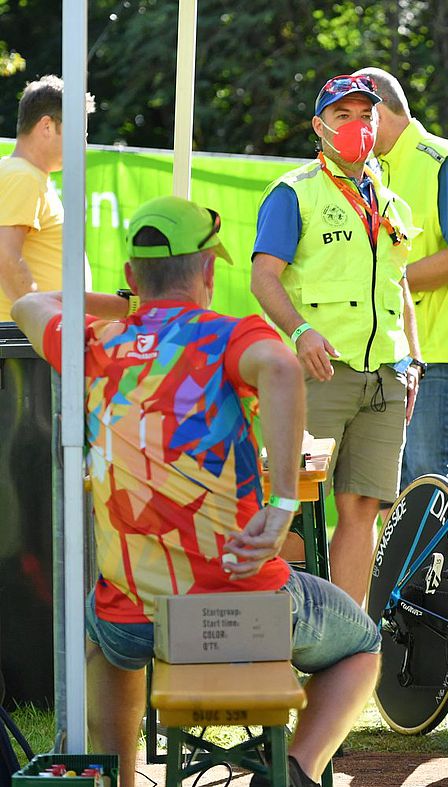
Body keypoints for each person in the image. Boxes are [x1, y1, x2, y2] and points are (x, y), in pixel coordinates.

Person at [11, 196, 380, 787]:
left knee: (106, 629)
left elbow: (30, 301)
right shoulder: (230, 336)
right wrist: (283, 504)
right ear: (209, 271)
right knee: (363, 643)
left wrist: (125, 306)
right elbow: (284, 369)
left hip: (134, 616)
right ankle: (294, 768)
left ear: (132, 275)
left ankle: (122, 777)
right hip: (244, 608)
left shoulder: (96, 344)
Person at [252, 74, 422, 604]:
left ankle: (347, 643)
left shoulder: (393, 203)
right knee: (295, 503)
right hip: (320, 373)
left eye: (365, 115)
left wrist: (413, 362)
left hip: (385, 377)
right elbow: (263, 276)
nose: (356, 126)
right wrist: (300, 331)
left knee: (363, 508)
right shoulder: (293, 193)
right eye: (343, 115)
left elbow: (400, 285)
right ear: (318, 127)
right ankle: (282, 632)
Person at [355, 67, 448, 488]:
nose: (351, 125)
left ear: (379, 108)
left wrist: (390, 280)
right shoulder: (371, 172)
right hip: (386, 354)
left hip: (439, 354)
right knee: (385, 489)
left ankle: (444, 559)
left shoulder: (443, 159)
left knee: (424, 479)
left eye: (358, 113)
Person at [0, 75, 104, 322]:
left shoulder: (21, 173)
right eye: (79, 132)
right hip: (26, 344)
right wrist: (46, 326)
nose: (84, 144)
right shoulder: (22, 176)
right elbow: (5, 255)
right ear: (47, 126)